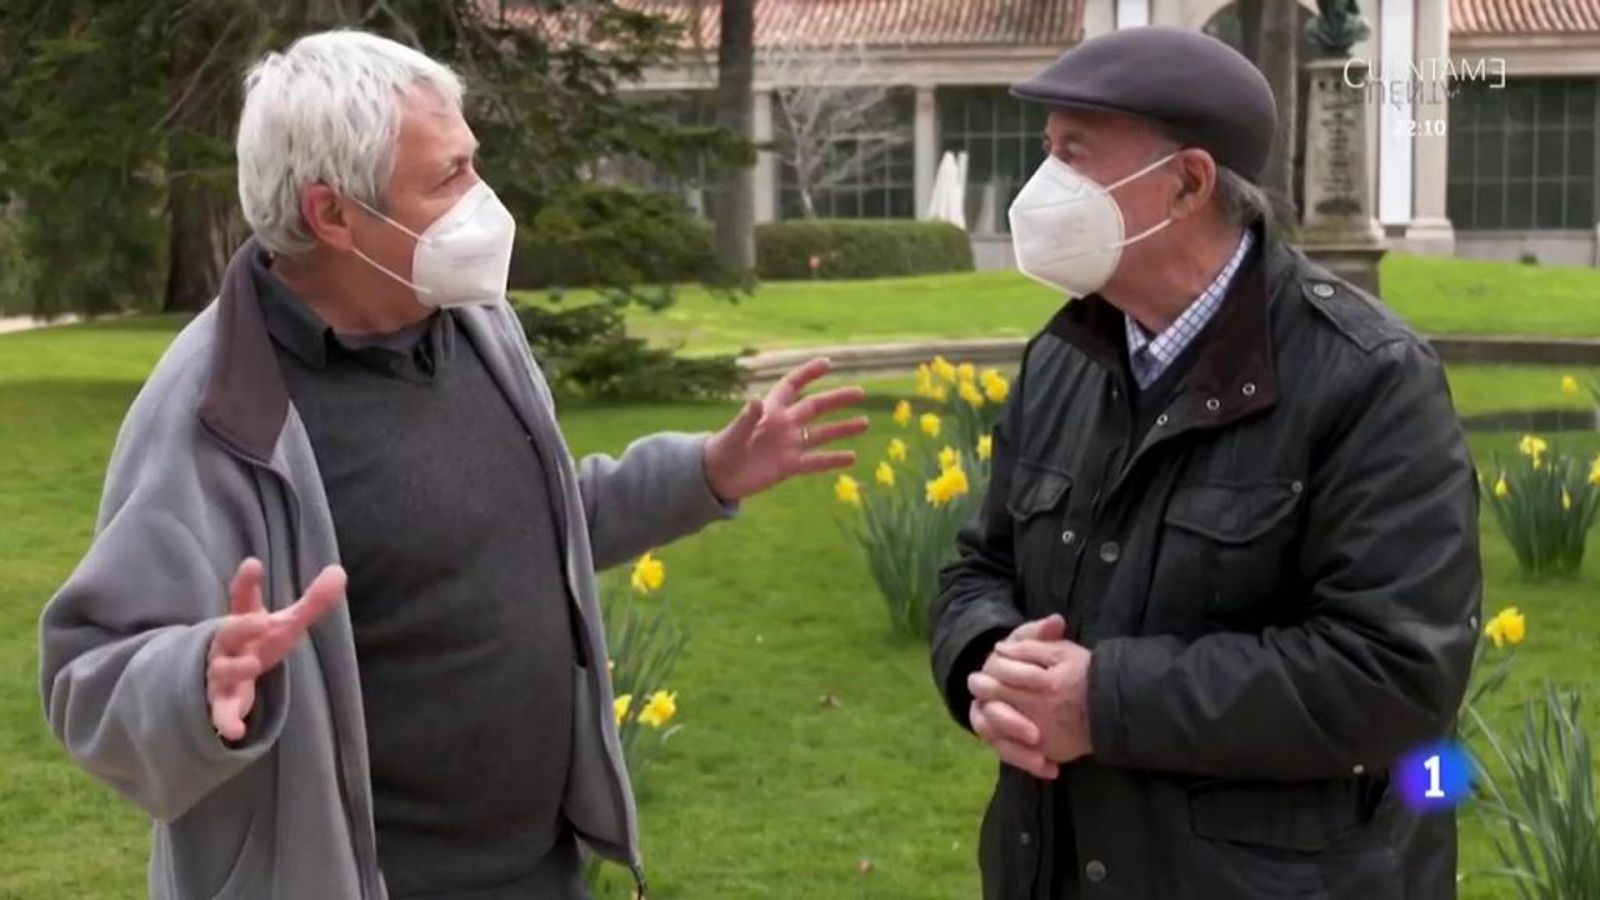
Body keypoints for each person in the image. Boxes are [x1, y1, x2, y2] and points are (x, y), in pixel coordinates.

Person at [39, 30, 866, 900]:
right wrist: (198, 675)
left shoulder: (473, 320)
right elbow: (86, 677)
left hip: (543, 875)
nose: (484, 199)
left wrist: (707, 473)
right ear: (332, 214)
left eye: (472, 163)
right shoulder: (215, 409)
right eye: (447, 177)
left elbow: (532, 515)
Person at [930, 26, 1481, 899]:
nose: (1043, 188)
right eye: (1047, 153)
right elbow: (979, 568)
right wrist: (987, 667)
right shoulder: (1061, 360)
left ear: (1187, 182)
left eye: (1076, 154)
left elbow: (1394, 672)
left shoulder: (1369, 379)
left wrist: (1104, 701)